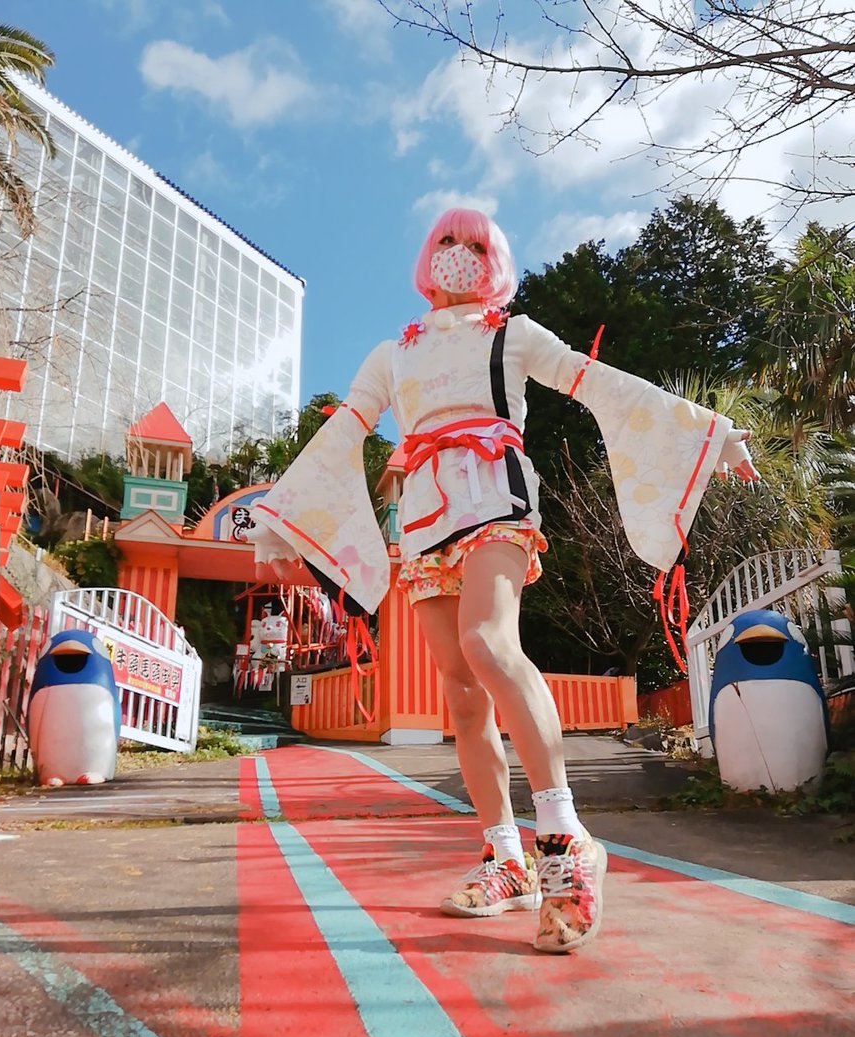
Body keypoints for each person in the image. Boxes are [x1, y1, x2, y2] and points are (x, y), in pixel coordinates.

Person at [247, 208, 759, 953]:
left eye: (475, 244)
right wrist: (277, 517)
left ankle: (564, 837)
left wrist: (706, 435)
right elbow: (344, 430)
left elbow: (597, 383)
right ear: (427, 258)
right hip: (424, 520)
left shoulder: (513, 334)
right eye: (447, 241)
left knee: (488, 642)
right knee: (460, 689)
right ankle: (505, 857)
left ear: (495, 262)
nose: (459, 253)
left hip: (496, 501)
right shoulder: (393, 354)